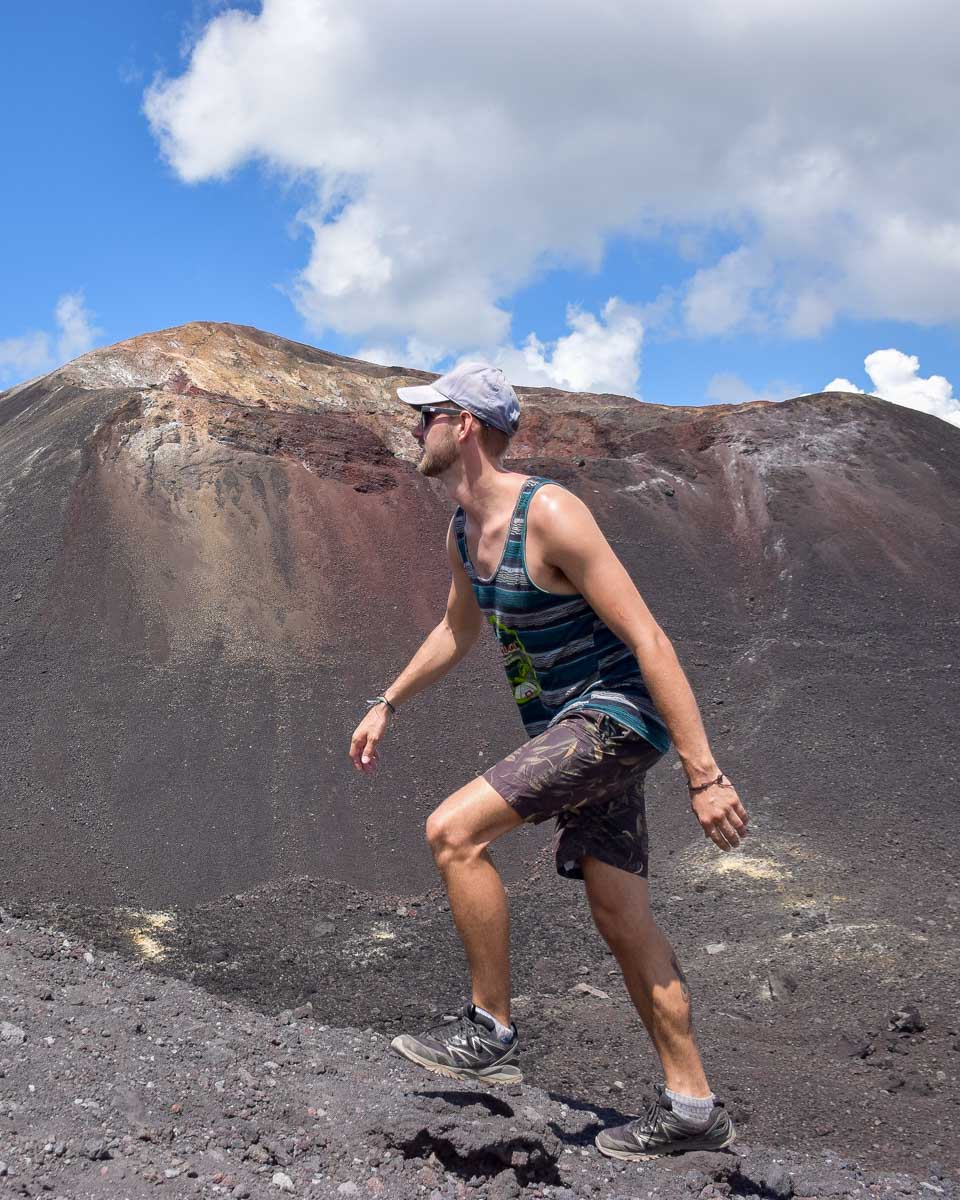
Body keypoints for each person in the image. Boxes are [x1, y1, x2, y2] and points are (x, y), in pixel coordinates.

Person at [348, 362, 748, 1160]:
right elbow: (459, 629)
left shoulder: (552, 514)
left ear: (464, 424)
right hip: (572, 727)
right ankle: (694, 1108)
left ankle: (489, 1030)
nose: (412, 428)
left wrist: (705, 774)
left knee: (454, 832)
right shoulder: (463, 528)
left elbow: (650, 640)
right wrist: (387, 701)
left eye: (424, 414)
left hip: (616, 716)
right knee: (620, 914)